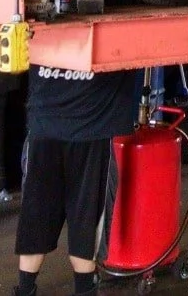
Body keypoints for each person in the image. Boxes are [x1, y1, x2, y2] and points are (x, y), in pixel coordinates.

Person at [14, 63, 141, 296]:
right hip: (90, 129)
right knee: (86, 223)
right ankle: (80, 289)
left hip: (47, 125)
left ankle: (25, 290)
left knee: (37, 218)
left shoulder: (38, 37)